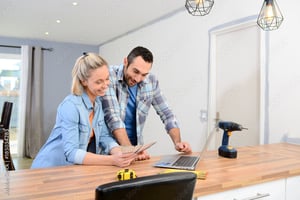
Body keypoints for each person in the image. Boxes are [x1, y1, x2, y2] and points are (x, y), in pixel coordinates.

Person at [31, 53, 136, 169]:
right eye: (99, 81)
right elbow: (71, 153)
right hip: (47, 169)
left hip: (69, 170)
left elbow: (104, 136)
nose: (105, 85)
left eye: (107, 79)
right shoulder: (71, 106)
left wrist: (119, 152)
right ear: (83, 81)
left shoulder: (98, 104)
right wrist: (111, 160)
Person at [102, 46, 192, 160]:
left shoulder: (151, 81)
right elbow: (113, 119)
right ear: (125, 61)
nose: (138, 78)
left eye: (144, 74)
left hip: (135, 149)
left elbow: (167, 114)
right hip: (109, 151)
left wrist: (178, 143)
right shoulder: (108, 76)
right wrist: (131, 151)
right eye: (136, 71)